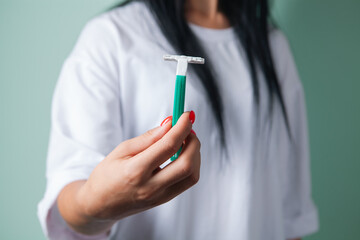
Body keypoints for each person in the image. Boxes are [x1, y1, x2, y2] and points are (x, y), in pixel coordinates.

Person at [38, 0, 319, 239]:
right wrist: (96, 204)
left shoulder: (272, 46)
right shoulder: (113, 36)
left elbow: (290, 210)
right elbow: (69, 197)